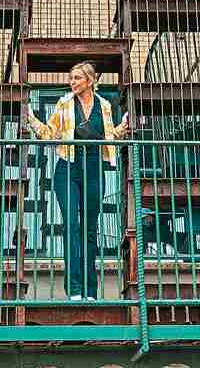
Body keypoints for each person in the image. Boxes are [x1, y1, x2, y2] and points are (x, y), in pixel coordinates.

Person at [25, 62, 129, 302]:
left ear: (90, 81)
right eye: (71, 78)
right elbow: (51, 133)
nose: (72, 82)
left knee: (90, 230)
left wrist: (123, 127)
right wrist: (30, 118)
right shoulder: (64, 103)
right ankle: (74, 289)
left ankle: (90, 292)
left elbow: (108, 136)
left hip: (93, 168)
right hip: (68, 168)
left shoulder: (103, 106)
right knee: (71, 224)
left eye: (77, 78)